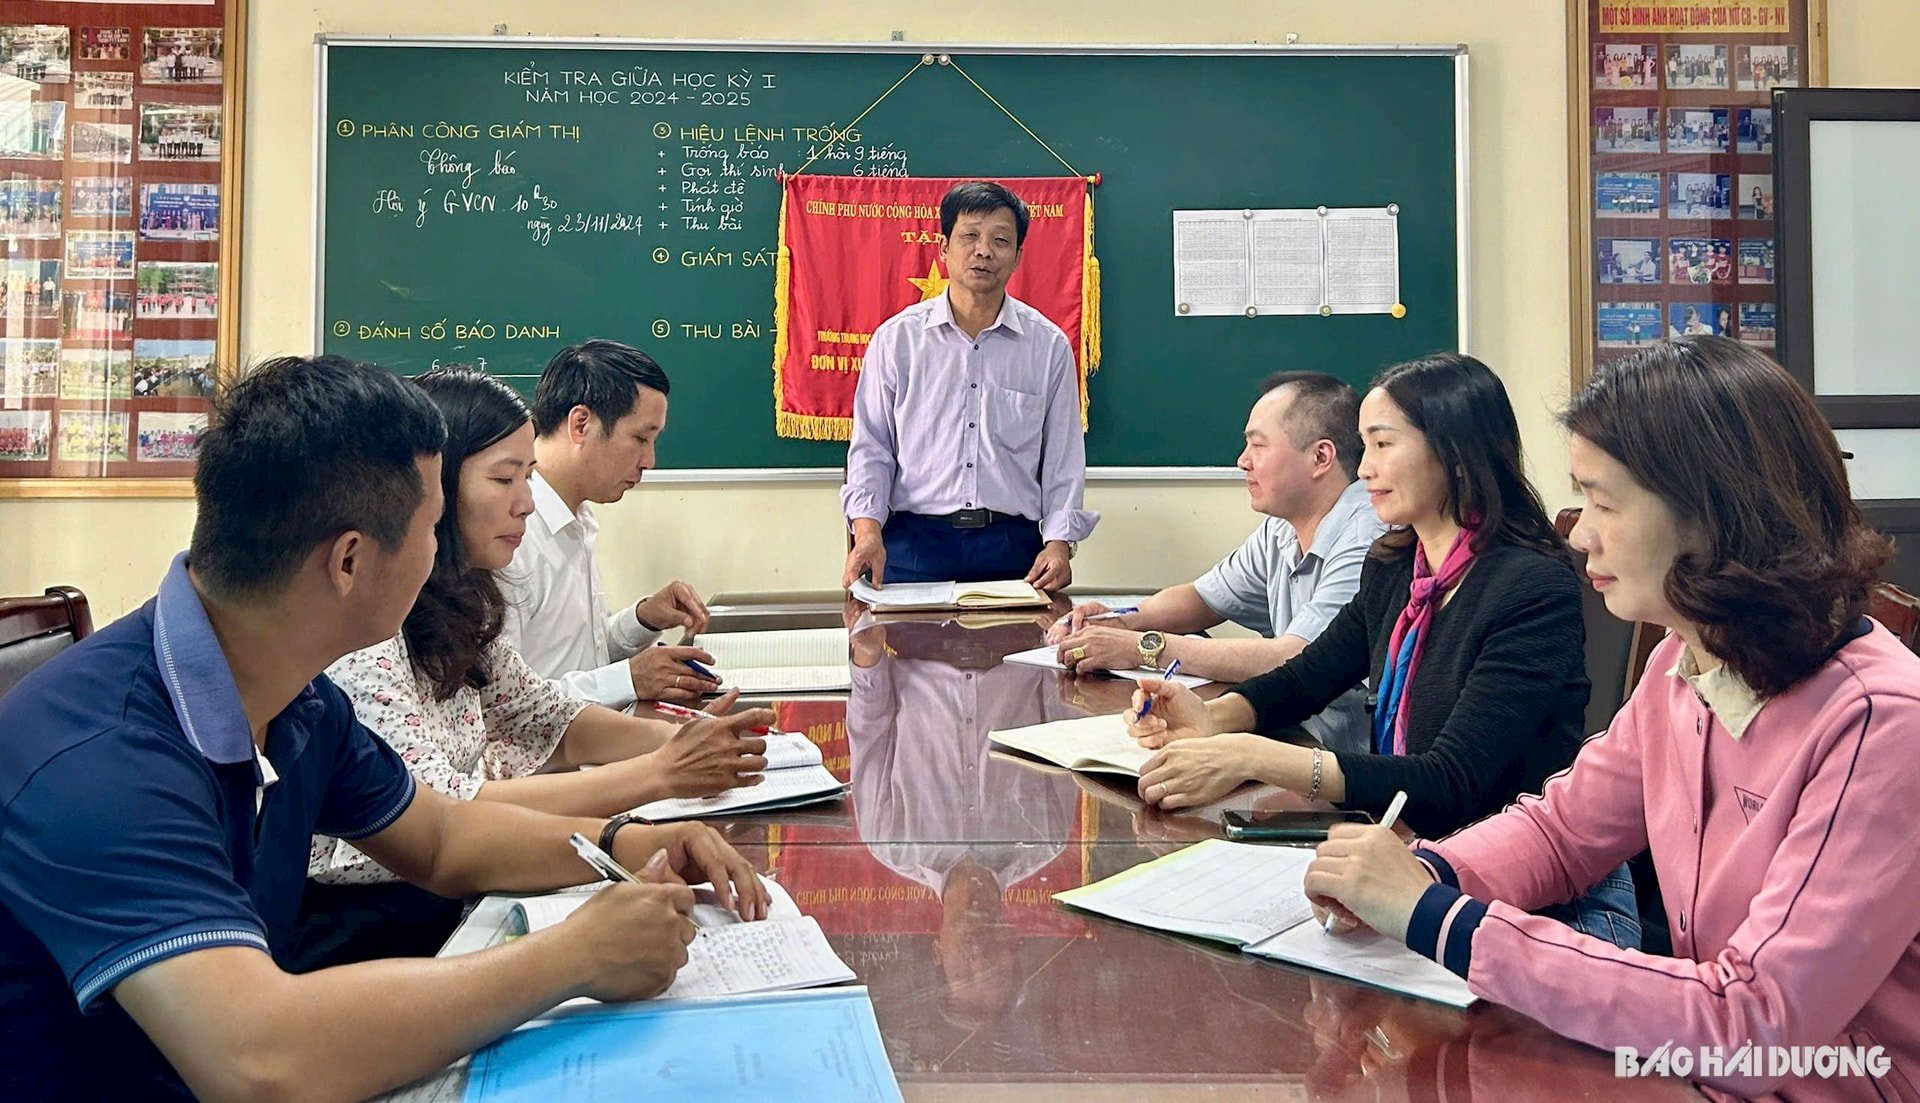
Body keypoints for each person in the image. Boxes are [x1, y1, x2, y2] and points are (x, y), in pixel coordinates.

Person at [0, 355, 770, 1102]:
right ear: (349, 562)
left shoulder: (294, 696)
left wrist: (624, 841)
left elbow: (441, 839)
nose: (443, 558)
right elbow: (259, 1062)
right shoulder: (104, 757)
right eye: (432, 528)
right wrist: (573, 956)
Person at [1303, 336, 1920, 1101]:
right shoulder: (1683, 663)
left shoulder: (1881, 723)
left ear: (1710, 510)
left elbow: (1752, 1024)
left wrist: (1442, 919)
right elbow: (1565, 829)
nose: (1579, 531)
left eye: (1602, 501)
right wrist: (1430, 872)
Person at [1126, 353, 1638, 946]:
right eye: (1363, 446)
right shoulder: (1398, 565)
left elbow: (1449, 781)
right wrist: (1212, 717)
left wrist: (1251, 757)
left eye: (1382, 444)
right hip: (1421, 864)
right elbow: (1305, 677)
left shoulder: (1531, 588)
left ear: (1454, 449)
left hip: (1548, 901)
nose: (1364, 469)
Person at [299, 367, 770, 968]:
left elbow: (547, 712)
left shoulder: (457, 601)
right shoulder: (365, 632)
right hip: (377, 928)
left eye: (527, 477)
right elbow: (446, 818)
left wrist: (681, 744)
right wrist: (657, 775)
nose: (525, 502)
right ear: (430, 491)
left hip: (456, 898)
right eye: (504, 478)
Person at [1046, 371, 1386, 753]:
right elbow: (1202, 598)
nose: (1243, 462)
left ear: (1320, 457)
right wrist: (1115, 619)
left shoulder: (1367, 537)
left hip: (1345, 765)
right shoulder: (1282, 527)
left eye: (1258, 446)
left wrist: (1141, 647)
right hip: (1290, 735)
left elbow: (1298, 657)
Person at [840, 180, 1098, 590]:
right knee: (902, 655)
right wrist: (867, 533)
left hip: (1012, 547)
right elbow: (872, 449)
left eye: (1000, 240)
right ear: (943, 248)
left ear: (1017, 256)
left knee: (1016, 656)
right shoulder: (897, 341)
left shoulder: (1047, 346)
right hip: (912, 545)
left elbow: (1063, 459)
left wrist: (1060, 544)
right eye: (970, 236)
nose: (983, 250)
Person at [498, 339, 722, 709]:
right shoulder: (512, 533)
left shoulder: (577, 519)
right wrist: (629, 679)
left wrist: (643, 619)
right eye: (640, 438)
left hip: (594, 749)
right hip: (551, 765)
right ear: (581, 424)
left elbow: (582, 658)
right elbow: (503, 705)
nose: (649, 461)